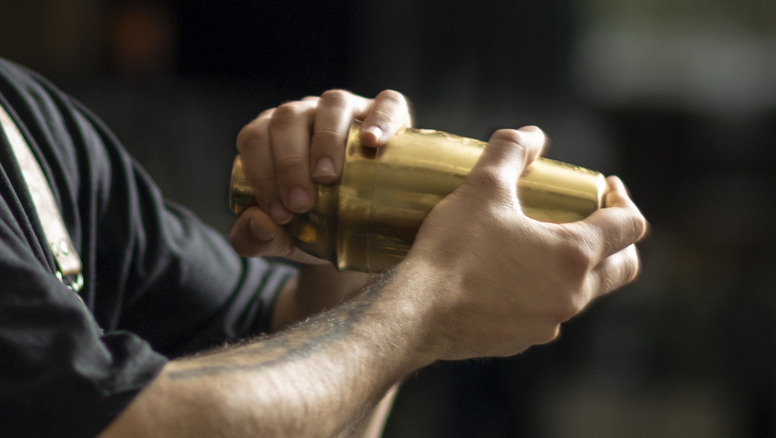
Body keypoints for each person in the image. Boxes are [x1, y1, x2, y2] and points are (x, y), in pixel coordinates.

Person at [0, 56, 647, 437]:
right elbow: (154, 423)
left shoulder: (25, 121)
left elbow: (312, 398)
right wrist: (430, 302)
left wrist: (352, 239)